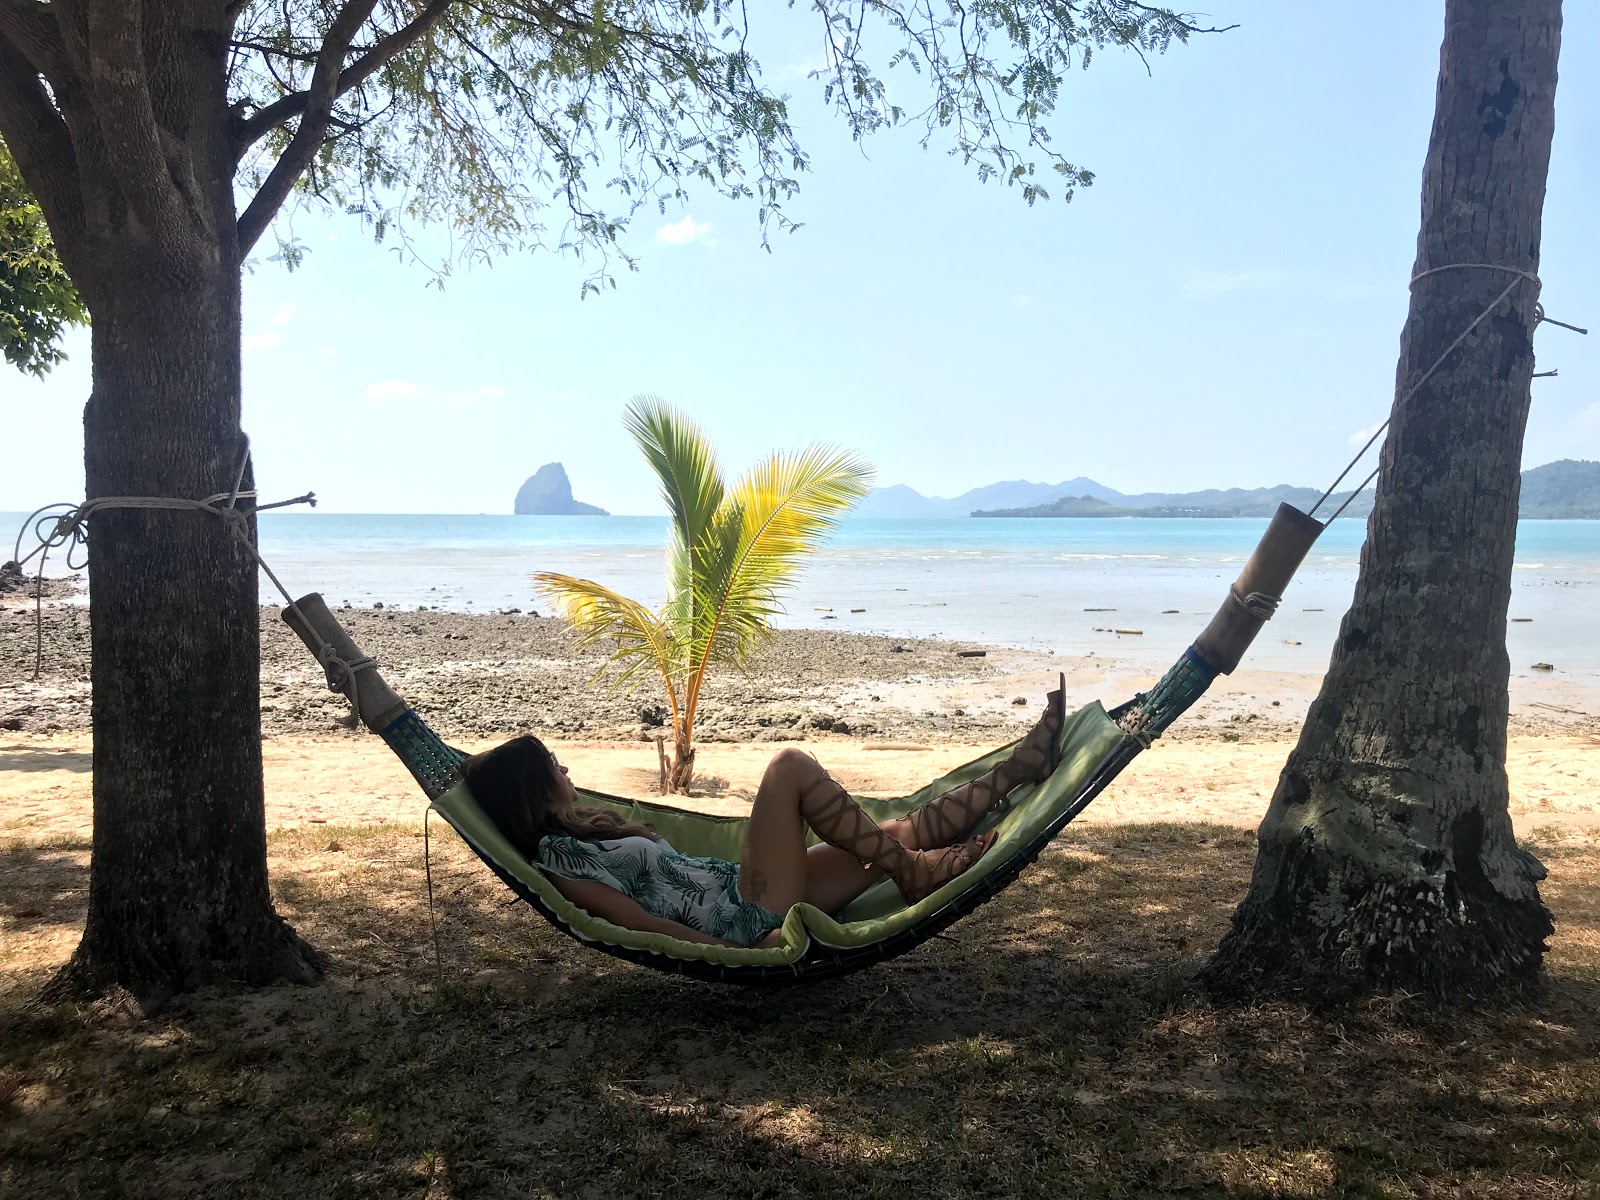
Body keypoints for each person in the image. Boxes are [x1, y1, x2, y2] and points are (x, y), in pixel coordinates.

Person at [461, 676, 1067, 949]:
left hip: (744, 894)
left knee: (895, 832)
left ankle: (1019, 770)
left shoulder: (584, 832)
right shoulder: (558, 858)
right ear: (532, 792)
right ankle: (913, 872)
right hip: (743, 916)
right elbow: (631, 924)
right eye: (554, 769)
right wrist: (739, 952)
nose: (567, 773)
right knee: (787, 769)